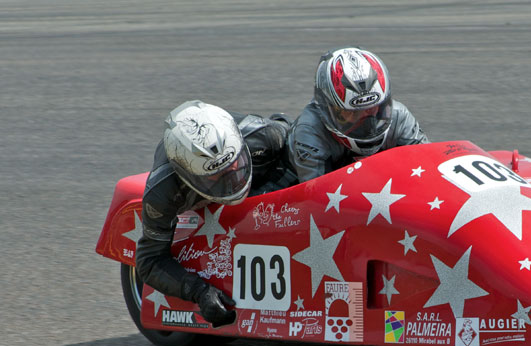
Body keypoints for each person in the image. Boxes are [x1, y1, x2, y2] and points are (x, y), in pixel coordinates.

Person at [136, 100, 295, 328]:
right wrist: (200, 292)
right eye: (217, 176)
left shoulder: (265, 138)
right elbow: (148, 261)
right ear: (188, 176)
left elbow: (299, 135)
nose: (233, 178)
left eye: (235, 165)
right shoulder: (162, 193)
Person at [287, 47, 429, 182]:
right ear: (328, 108)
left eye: (373, 109)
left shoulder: (399, 117)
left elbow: (430, 168)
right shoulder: (311, 130)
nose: (368, 123)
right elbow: (315, 198)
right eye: (353, 112)